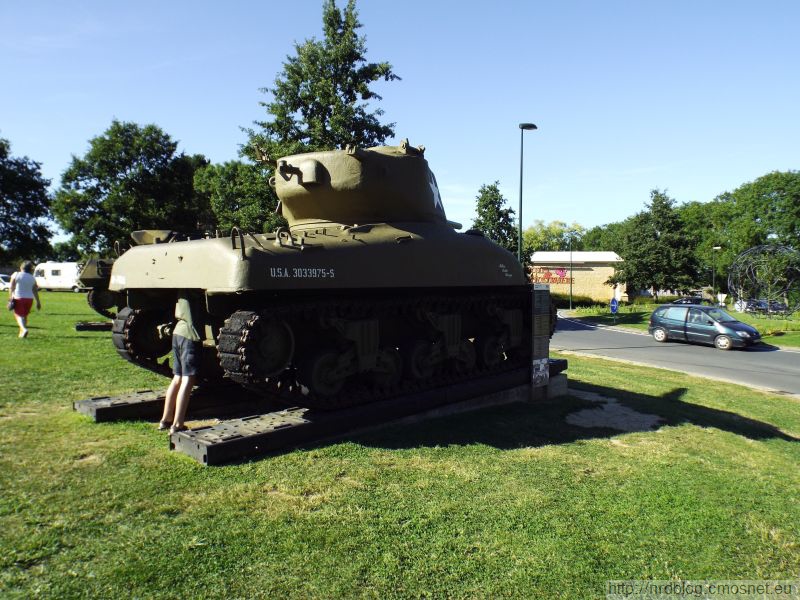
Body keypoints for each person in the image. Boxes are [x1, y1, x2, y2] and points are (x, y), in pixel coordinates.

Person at [159, 292, 202, 434]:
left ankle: (165, 420)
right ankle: (177, 423)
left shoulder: (181, 287)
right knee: (187, 379)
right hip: (190, 334)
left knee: (177, 377)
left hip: (178, 331)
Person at [9, 261, 41, 338]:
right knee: (24, 316)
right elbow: (35, 290)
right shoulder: (32, 278)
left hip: (19, 297)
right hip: (29, 299)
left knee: (18, 315)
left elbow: (11, 287)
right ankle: (21, 333)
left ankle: (23, 329)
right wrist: (38, 302)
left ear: (21, 267)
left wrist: (10, 297)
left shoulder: (16, 274)